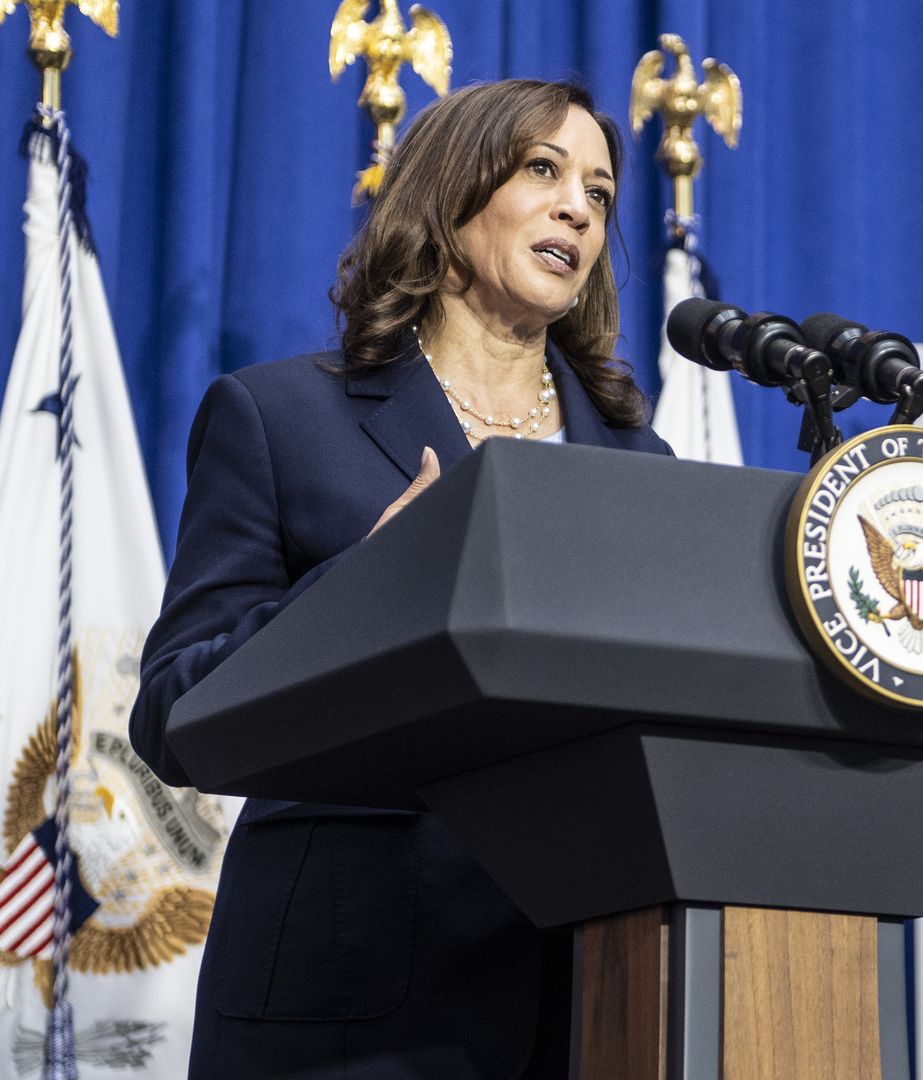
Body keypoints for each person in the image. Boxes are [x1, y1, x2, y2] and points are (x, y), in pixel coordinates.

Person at [129, 79, 673, 1079]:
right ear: (449, 190)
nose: (578, 208)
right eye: (543, 170)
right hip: (351, 997)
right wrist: (365, 586)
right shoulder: (281, 417)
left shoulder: (641, 467)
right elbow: (173, 717)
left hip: (590, 993)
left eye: (598, 191)